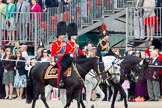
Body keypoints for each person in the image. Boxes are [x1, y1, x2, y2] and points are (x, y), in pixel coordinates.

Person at [50, 21, 67, 87]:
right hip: (57, 59)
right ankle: (59, 81)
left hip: (64, 59)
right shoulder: (55, 43)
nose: (63, 36)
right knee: (61, 68)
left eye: (63, 34)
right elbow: (52, 54)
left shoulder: (64, 43)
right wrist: (52, 61)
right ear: (59, 35)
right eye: (62, 35)